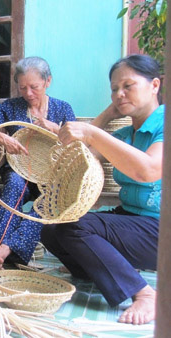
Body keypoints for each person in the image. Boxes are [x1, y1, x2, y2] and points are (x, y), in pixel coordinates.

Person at [41, 54, 162, 325]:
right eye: (114, 89)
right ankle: (92, 270)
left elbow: (149, 170)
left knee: (76, 227)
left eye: (128, 86)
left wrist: (93, 133)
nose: (119, 94)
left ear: (154, 85)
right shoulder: (126, 133)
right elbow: (74, 160)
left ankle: (143, 294)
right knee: (52, 228)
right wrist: (108, 114)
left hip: (159, 230)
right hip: (134, 220)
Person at [0, 56, 75, 271]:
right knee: (14, 185)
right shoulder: (12, 106)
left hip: (53, 175)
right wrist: (3, 138)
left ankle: (6, 248)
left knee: (52, 201)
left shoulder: (63, 109)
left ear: (48, 81)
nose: (28, 94)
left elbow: (79, 144)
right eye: (22, 87)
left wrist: (55, 128)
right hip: (20, 170)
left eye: (34, 87)